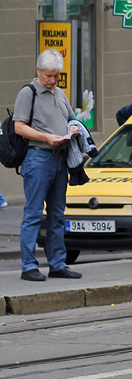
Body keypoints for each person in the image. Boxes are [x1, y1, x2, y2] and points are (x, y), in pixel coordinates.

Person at [13, 49, 82, 281]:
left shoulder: (60, 93)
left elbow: (72, 118)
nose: (53, 80)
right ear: (38, 70)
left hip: (59, 159)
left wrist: (73, 128)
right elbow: (19, 127)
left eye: (56, 76)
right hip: (38, 157)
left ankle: (57, 264)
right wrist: (47, 137)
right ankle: (29, 266)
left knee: (56, 214)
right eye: (48, 76)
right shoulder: (28, 92)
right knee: (33, 214)